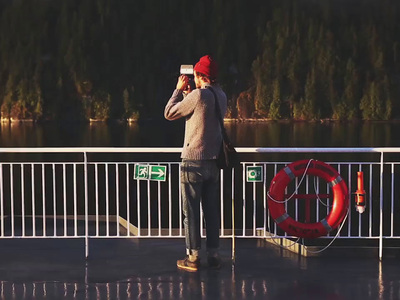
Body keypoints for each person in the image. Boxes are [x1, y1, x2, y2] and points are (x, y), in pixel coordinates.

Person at [164, 55, 227, 272]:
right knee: (211, 211)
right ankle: (214, 255)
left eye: (195, 76)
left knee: (190, 212)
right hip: (214, 162)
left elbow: (169, 113)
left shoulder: (199, 95)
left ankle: (193, 258)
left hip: (192, 162)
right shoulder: (221, 95)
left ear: (200, 75)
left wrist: (177, 90)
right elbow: (202, 113)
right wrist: (188, 95)